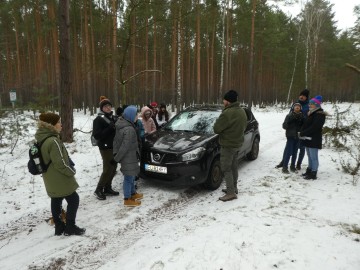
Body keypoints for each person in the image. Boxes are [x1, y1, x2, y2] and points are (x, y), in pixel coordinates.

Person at [35, 112, 85, 236]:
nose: (61, 125)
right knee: (74, 199)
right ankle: (70, 226)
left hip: (50, 178)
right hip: (61, 177)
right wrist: (71, 171)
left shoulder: (42, 138)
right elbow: (61, 163)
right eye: (58, 122)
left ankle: (59, 226)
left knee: (56, 199)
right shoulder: (53, 141)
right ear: (51, 125)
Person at [213, 90, 247, 202]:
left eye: (224, 99)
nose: (223, 101)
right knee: (233, 167)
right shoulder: (242, 111)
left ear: (228, 101)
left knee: (226, 168)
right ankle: (234, 187)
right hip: (237, 144)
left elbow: (216, 129)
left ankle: (231, 192)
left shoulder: (227, 113)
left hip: (228, 145)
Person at [113, 105, 143, 207]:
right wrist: (116, 159)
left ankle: (133, 193)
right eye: (136, 115)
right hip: (128, 157)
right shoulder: (129, 129)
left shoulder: (125, 124)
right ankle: (127, 199)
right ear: (130, 115)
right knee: (128, 178)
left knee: (132, 175)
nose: (137, 117)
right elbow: (124, 146)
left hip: (131, 156)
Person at [92, 96, 119, 200]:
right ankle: (98, 189)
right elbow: (97, 135)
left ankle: (107, 187)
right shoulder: (98, 120)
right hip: (105, 148)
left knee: (113, 168)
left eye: (109, 106)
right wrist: (109, 128)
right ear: (101, 108)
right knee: (108, 169)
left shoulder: (112, 117)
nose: (108, 108)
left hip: (114, 147)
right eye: (105, 106)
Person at [276, 89, 310, 170]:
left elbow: (308, 118)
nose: (301, 97)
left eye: (304, 96)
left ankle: (298, 164)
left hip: (301, 130)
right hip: (292, 132)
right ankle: (283, 162)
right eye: (301, 95)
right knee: (288, 148)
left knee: (301, 148)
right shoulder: (295, 103)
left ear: (306, 97)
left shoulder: (308, 105)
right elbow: (290, 114)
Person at [299, 95, 327, 180]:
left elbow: (315, 127)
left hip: (314, 139)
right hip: (307, 138)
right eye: (310, 104)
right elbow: (307, 124)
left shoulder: (319, 114)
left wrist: (303, 132)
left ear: (317, 105)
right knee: (309, 156)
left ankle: (314, 173)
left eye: (312, 104)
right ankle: (309, 170)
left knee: (314, 157)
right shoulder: (312, 113)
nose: (309, 105)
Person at [281, 103, 305, 173]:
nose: (297, 107)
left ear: (300, 108)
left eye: (298, 106)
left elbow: (304, 126)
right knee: (288, 152)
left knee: (295, 152)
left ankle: (292, 166)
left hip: (298, 137)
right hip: (290, 137)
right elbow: (284, 126)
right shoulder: (289, 115)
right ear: (293, 108)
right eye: (296, 106)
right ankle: (284, 167)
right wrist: (289, 122)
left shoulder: (302, 116)